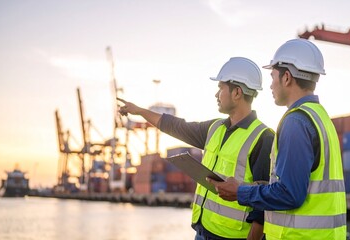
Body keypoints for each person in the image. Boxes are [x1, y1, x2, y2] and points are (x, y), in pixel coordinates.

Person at [117, 57, 275, 240]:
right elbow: (175, 126)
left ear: (237, 92)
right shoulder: (214, 128)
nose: (217, 94)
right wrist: (141, 111)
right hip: (202, 232)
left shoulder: (263, 138)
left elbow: (262, 206)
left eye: (221, 88)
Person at [208, 39, 347, 239]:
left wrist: (240, 192)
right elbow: (306, 183)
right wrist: (256, 187)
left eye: (273, 76)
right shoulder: (320, 116)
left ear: (287, 77)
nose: (271, 84)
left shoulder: (295, 122)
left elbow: (290, 194)